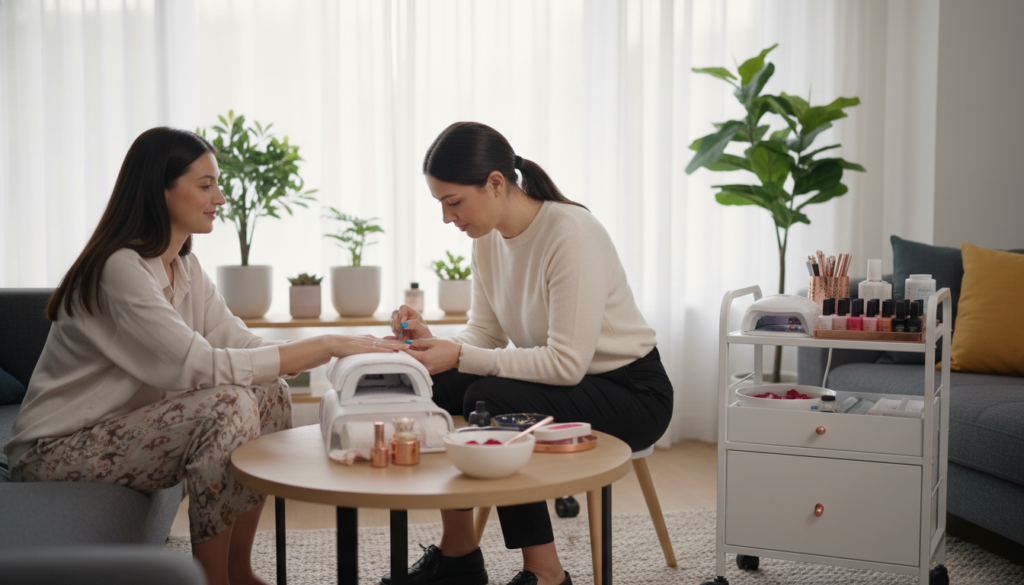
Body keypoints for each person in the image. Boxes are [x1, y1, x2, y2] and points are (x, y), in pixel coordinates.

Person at [4, 127, 406, 585]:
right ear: (160, 190)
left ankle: (239, 571)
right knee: (227, 405)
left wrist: (335, 347)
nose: (220, 197)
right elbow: (197, 366)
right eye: (205, 185)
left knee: (269, 390)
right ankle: (212, 581)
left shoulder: (184, 266)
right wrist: (325, 345)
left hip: (119, 428)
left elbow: (241, 343)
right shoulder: (119, 269)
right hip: (56, 449)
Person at [385, 122, 674, 585]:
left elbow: (566, 363)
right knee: (432, 383)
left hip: (631, 392)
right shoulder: (487, 241)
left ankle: (546, 573)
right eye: (440, 204)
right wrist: (433, 343)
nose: (446, 218)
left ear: (495, 183)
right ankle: (458, 555)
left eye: (453, 202)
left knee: (489, 398)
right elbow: (486, 333)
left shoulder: (571, 233)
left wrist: (459, 355)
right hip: (565, 384)